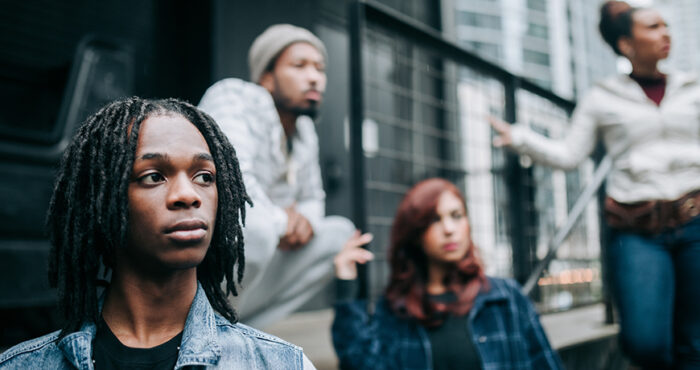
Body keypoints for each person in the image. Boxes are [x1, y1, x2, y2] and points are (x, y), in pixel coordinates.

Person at [0, 98, 315, 369]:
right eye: (153, 176)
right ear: (101, 199)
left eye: (204, 176)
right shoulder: (22, 364)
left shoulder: (281, 363)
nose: (188, 194)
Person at [488, 2, 700, 368]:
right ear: (626, 44)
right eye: (652, 27)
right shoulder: (602, 96)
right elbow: (570, 154)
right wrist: (521, 138)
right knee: (645, 342)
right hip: (637, 230)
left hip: (695, 222)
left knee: (695, 338)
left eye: (666, 25)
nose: (665, 33)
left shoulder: (692, 87)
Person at [198, 24, 356, 328]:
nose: (315, 77)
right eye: (299, 66)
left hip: (258, 254)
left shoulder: (305, 131)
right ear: (267, 77)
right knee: (254, 227)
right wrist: (284, 221)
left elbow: (313, 198)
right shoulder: (233, 97)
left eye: (320, 69)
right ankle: (197, 324)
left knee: (340, 234)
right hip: (204, 252)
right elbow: (235, 188)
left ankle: (236, 328)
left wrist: (304, 222)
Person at [332, 178, 562, 369]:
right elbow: (360, 364)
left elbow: (547, 364)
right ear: (416, 233)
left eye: (457, 215)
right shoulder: (397, 310)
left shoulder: (506, 298)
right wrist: (346, 285)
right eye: (435, 220)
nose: (449, 229)